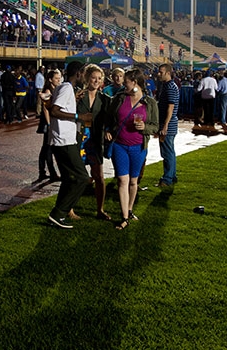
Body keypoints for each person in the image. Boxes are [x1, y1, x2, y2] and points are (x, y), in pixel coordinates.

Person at [105, 68, 159, 230]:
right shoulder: (120, 98)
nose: (123, 84)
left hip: (138, 147)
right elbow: (109, 116)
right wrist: (108, 129)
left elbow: (155, 126)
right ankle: (124, 217)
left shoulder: (149, 103)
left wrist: (144, 127)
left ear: (135, 83)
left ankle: (129, 210)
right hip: (119, 145)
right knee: (122, 180)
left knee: (133, 181)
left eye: (126, 81)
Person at [46, 61, 92, 229]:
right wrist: (80, 117)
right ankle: (59, 213)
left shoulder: (65, 88)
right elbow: (54, 110)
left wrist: (74, 98)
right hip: (64, 140)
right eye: (84, 74)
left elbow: (55, 105)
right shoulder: (65, 88)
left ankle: (58, 215)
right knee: (82, 178)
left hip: (61, 139)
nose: (85, 78)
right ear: (78, 73)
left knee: (68, 178)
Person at [78, 64, 110, 219]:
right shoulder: (78, 95)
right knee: (76, 176)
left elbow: (109, 118)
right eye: (93, 78)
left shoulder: (104, 99)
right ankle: (69, 208)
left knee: (99, 176)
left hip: (95, 139)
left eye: (99, 78)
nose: (96, 81)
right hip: (79, 137)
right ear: (87, 78)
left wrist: (109, 130)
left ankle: (100, 210)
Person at [156, 63, 179, 188]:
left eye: (161, 72)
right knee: (170, 151)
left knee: (167, 152)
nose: (159, 74)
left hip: (168, 125)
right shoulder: (168, 86)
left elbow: (171, 107)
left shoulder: (170, 87)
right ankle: (171, 176)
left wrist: (165, 125)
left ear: (168, 73)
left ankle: (167, 178)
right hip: (170, 124)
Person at [36, 68, 60, 183]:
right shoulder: (48, 90)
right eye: (56, 78)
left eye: (59, 78)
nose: (58, 80)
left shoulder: (55, 89)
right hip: (48, 122)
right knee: (48, 148)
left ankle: (43, 172)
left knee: (46, 148)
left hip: (50, 121)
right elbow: (45, 109)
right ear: (50, 79)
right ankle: (51, 173)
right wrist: (49, 124)